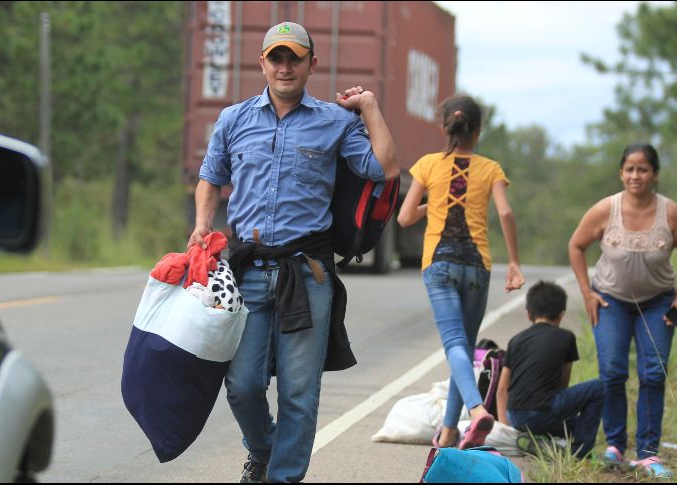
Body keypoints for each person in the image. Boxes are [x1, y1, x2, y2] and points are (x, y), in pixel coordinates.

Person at [189, 21, 399, 483]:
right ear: (263, 63)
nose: (285, 67)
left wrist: (369, 107)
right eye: (276, 58)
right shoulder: (234, 119)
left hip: (307, 274)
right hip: (246, 274)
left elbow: (384, 167)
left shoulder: (335, 122)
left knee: (299, 392)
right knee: (242, 385)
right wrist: (202, 225)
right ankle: (263, 450)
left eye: (294, 58)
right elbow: (210, 177)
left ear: (311, 64)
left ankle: (282, 477)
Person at [397, 94, 524, 450]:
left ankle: (476, 408)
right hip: (477, 265)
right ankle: (450, 431)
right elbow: (506, 213)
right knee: (463, 348)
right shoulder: (491, 168)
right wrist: (514, 262)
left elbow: (404, 217)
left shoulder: (428, 164)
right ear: (478, 131)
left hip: (439, 263)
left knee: (454, 344)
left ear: (444, 128)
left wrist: (432, 204)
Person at [568, 143, 675, 479]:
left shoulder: (670, 212)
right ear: (621, 173)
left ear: (654, 174)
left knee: (653, 373)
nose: (635, 175)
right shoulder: (606, 209)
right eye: (629, 169)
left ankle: (648, 454)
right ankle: (614, 445)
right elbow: (576, 245)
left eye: (642, 169)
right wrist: (587, 293)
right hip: (610, 300)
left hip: (658, 301)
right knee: (613, 371)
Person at [496, 280, 604, 458]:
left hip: (515, 416)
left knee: (573, 424)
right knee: (599, 387)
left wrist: (506, 430)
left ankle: (538, 440)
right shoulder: (566, 337)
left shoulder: (515, 340)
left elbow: (502, 389)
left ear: (528, 313)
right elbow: (562, 384)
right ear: (561, 315)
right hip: (543, 413)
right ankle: (580, 452)